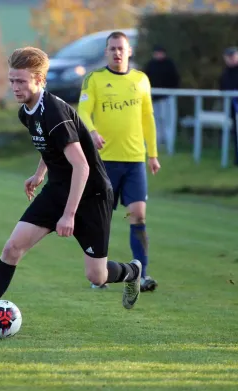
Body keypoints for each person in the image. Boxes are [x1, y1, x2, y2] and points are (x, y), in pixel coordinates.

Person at [0, 46, 143, 336]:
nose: (15, 87)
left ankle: (132, 271)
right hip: (57, 189)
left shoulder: (55, 111)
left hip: (90, 195)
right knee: (12, 249)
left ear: (39, 80)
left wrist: (68, 215)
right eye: (12, 80)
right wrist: (39, 174)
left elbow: (82, 167)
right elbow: (49, 146)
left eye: (21, 81)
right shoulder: (27, 112)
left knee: (97, 275)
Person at [77, 31, 160, 292]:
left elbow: (148, 118)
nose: (117, 53)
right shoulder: (95, 79)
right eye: (112, 49)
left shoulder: (141, 80)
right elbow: (83, 112)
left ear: (129, 51)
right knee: (101, 219)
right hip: (104, 162)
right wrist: (91, 132)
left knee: (138, 215)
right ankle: (99, 274)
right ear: (106, 52)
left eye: (121, 48)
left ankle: (142, 274)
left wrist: (153, 154)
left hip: (135, 160)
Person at [143, 44, 180, 147]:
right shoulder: (151, 65)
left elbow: (175, 80)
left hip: (167, 97)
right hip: (154, 98)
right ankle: (156, 143)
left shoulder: (169, 64)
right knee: (155, 121)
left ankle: (169, 145)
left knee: (168, 121)